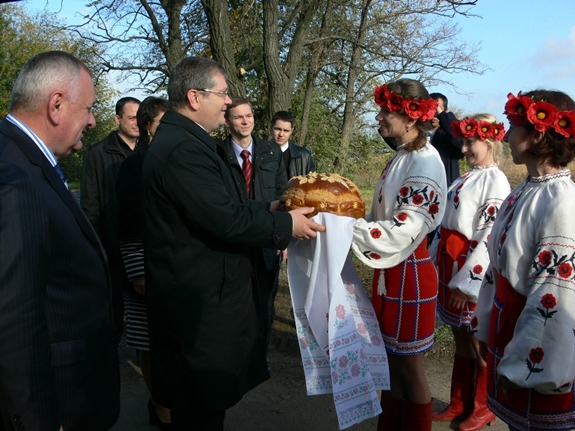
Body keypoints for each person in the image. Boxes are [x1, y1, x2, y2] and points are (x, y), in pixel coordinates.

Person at [141, 56, 324, 431]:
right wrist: (285, 223)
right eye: (222, 94)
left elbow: (224, 205)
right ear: (194, 97)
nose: (228, 103)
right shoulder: (184, 149)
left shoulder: (188, 141)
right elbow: (224, 219)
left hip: (199, 298)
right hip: (197, 307)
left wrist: (271, 206)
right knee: (200, 411)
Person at [0, 51, 120, 431]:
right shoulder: (14, 177)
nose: (92, 120)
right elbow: (14, 318)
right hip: (60, 405)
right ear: (56, 105)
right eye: (88, 108)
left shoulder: (22, 158)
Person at [472, 90, 575, 431]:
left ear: (537, 134)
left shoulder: (560, 201)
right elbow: (495, 265)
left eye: (513, 126)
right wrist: (485, 326)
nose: (505, 134)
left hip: (532, 336)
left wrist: (521, 367)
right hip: (509, 324)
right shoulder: (524, 189)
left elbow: (554, 294)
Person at [351, 78, 447, 431]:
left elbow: (404, 229)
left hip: (410, 269)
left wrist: (348, 228)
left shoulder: (425, 161)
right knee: (391, 363)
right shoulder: (404, 155)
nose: (378, 118)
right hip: (393, 271)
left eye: (385, 111)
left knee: (410, 367)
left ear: (409, 117)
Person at [430, 114, 510, 431]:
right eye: (463, 142)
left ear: (488, 141)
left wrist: (469, 282)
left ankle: (483, 406)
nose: (464, 149)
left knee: (479, 340)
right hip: (451, 263)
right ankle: (459, 402)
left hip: (470, 269)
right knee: (460, 338)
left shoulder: (495, 180)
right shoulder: (467, 177)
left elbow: (490, 234)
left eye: (470, 142)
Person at [115, 96, 171, 428]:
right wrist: (138, 271)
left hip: (175, 271)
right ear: (148, 127)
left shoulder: (175, 160)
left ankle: (168, 404)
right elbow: (128, 222)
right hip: (145, 271)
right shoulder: (133, 166)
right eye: (163, 123)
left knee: (172, 343)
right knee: (151, 345)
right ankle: (161, 409)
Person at [218, 97, 287, 356]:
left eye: (249, 116)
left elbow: (283, 196)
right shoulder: (217, 153)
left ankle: (260, 355)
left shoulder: (271, 152)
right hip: (232, 240)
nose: (245, 121)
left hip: (266, 240)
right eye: (238, 117)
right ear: (227, 121)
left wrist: (283, 239)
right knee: (234, 302)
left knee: (265, 303)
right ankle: (235, 356)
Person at [81, 96, 141, 340]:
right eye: (131, 118)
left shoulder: (150, 151)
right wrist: (98, 250)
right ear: (117, 119)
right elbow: (90, 207)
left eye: (141, 117)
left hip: (141, 248)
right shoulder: (97, 154)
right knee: (112, 315)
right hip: (111, 248)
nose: (137, 123)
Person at [429, 93, 463, 186]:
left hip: (446, 185)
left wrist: (442, 115)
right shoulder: (418, 134)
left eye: (436, 109)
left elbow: (460, 143)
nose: (434, 115)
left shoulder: (447, 134)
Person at [270, 110, 316, 179]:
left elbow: (312, 186)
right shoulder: (259, 154)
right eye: (278, 129)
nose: (281, 134)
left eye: (286, 130)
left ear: (291, 131)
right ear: (271, 127)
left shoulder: (304, 156)